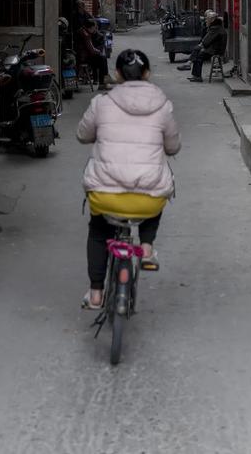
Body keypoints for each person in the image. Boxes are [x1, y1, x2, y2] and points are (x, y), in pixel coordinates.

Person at [77, 48, 181, 309]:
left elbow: (82, 135)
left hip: (105, 196)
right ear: (147, 74)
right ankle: (146, 248)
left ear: (117, 74)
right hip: (147, 201)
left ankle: (96, 294)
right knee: (158, 190)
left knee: (99, 231)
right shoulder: (163, 106)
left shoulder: (101, 103)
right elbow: (173, 147)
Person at [178, 10, 227, 82]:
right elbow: (206, 40)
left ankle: (195, 73)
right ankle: (193, 71)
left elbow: (206, 41)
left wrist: (202, 46)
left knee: (198, 56)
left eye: (207, 19)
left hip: (215, 50)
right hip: (214, 48)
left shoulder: (215, 29)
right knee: (197, 51)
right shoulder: (216, 27)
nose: (206, 21)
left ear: (212, 20)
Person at [76, 18, 111, 90]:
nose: (95, 29)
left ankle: (103, 83)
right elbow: (91, 49)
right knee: (103, 60)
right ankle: (103, 83)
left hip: (83, 56)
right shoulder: (86, 35)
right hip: (84, 58)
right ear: (90, 27)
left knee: (103, 59)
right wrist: (99, 52)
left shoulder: (82, 31)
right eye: (94, 28)